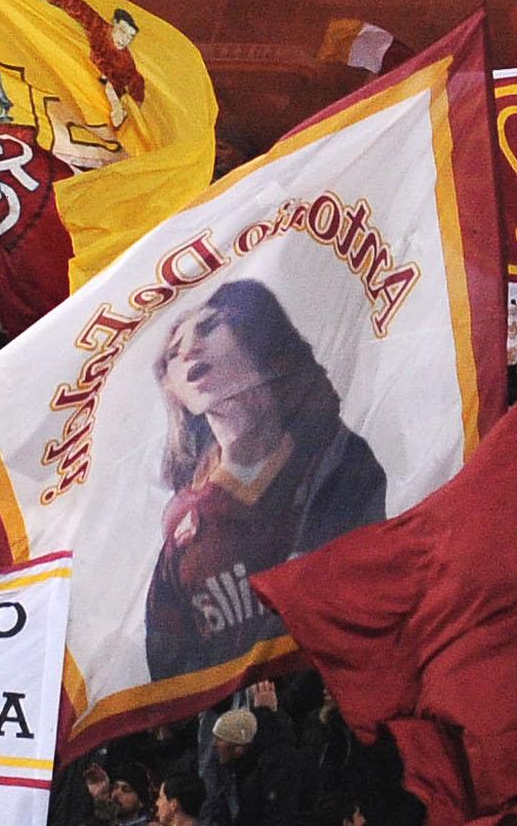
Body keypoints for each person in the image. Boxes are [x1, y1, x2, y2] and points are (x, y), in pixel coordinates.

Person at [141, 278, 388, 683]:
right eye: (172, 353)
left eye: (208, 327)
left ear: (251, 337)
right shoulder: (184, 530)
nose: (188, 350)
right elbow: (170, 675)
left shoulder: (338, 460)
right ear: (174, 391)